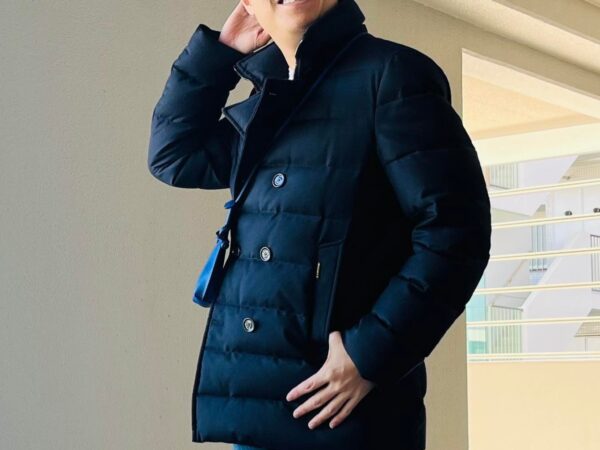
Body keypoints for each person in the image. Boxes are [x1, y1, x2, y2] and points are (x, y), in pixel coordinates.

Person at [147, 0, 492, 449]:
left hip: (347, 409)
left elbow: (455, 232)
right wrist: (222, 53)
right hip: (256, 406)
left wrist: (369, 356)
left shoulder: (392, 74)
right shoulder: (271, 95)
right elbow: (174, 156)